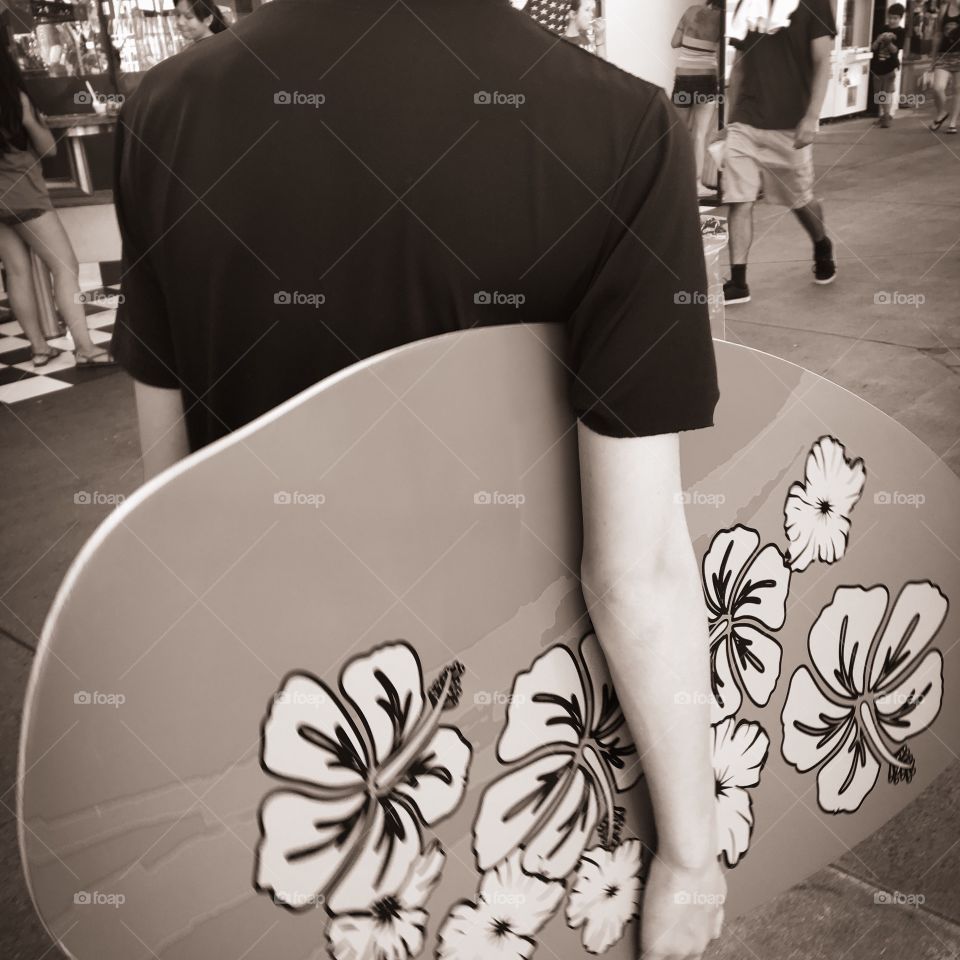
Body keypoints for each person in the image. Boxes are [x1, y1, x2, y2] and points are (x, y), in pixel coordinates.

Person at [111, 3, 724, 957]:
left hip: (278, 758)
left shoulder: (163, 113)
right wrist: (690, 852)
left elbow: (168, 505)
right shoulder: (620, 129)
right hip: (507, 779)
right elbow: (635, 567)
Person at [0, 38, 115, 368]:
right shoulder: (14, 99)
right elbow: (48, 149)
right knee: (65, 267)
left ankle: (39, 348)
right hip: (22, 192)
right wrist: (36, 122)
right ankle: (84, 348)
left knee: (17, 272)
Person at [722, 0, 838, 305]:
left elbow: (823, 61)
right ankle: (738, 281)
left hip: (791, 123)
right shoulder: (746, 5)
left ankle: (821, 244)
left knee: (799, 200)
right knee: (739, 197)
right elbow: (740, 64)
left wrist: (812, 117)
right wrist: (728, 121)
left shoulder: (814, 4)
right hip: (746, 120)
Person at [671, 0, 723, 197]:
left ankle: (674, 180)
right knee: (700, 134)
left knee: (679, 131)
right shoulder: (723, 19)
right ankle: (696, 184)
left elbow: (674, 42)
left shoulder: (690, 11)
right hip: (706, 78)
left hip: (684, 78)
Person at [871, 4, 906, 128]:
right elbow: (873, 47)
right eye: (890, 18)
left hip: (890, 67)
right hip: (877, 66)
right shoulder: (881, 28)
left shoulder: (901, 32)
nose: (892, 20)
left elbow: (895, 50)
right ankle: (883, 115)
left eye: (895, 18)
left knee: (887, 92)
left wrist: (888, 42)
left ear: (900, 18)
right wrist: (879, 40)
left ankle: (886, 115)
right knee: (879, 93)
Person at [928, 0, 960, 132]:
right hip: (944, 54)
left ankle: (953, 122)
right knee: (937, 87)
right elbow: (938, 34)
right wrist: (933, 58)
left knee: (958, 89)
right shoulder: (944, 9)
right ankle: (941, 112)